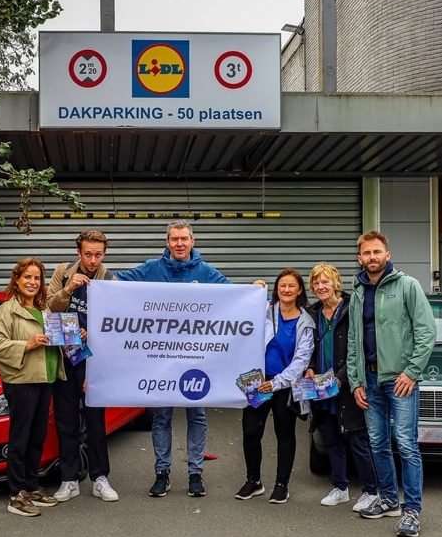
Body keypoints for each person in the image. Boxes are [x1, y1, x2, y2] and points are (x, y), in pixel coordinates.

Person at [114, 220, 230, 497]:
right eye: (174, 239)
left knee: (197, 416)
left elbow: (234, 297)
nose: (179, 243)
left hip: (196, 360)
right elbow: (117, 281)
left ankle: (195, 474)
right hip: (160, 359)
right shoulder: (152, 268)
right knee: (161, 417)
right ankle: (162, 473)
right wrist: (91, 281)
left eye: (184, 239)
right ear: (167, 242)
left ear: (193, 241)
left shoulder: (206, 272)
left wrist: (256, 288)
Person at [346, 231, 436, 537]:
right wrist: (355, 380)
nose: (372, 257)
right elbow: (353, 340)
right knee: (378, 443)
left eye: (377, 252)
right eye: (366, 253)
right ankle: (388, 500)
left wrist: (411, 372)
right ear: (360, 258)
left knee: (406, 444)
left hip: (400, 381)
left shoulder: (407, 286)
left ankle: (412, 511)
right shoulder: (358, 292)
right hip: (369, 380)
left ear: (387, 254)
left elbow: (426, 333)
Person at [0, 258, 66, 517]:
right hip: (21, 382)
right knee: (20, 439)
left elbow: (57, 340)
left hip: (45, 379)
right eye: (27, 277)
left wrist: (73, 335)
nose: (33, 282)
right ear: (17, 280)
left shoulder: (43, 310)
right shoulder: (6, 311)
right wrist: (26, 344)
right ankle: (16, 493)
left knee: (37, 438)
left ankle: (32, 486)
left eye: (37, 278)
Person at [47, 230, 119, 502]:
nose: (92, 260)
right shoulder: (62, 272)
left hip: (94, 362)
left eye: (98, 254)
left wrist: (94, 334)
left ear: (104, 254)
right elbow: (48, 309)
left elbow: (117, 325)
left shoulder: (111, 279)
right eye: (88, 254)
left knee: (96, 421)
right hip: (65, 357)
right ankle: (69, 479)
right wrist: (67, 290)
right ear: (79, 253)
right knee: (66, 421)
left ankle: (100, 478)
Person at [234, 268, 314, 504]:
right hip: (258, 382)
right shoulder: (266, 310)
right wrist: (255, 288)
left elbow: (301, 360)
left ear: (299, 290)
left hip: (285, 386)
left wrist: (276, 383)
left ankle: (282, 485)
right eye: (282, 286)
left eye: (291, 286)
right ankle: (254, 481)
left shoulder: (305, 322)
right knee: (250, 431)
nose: (286, 290)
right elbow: (241, 315)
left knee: (285, 434)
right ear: (276, 289)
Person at [303, 262, 378, 513]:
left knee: (357, 439)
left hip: (347, 386)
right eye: (316, 282)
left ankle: (370, 491)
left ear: (336, 283)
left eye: (325, 281)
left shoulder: (351, 308)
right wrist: (310, 368)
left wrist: (342, 377)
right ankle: (340, 488)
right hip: (321, 389)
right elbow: (309, 348)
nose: (320, 286)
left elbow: (360, 348)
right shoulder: (312, 313)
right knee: (331, 438)